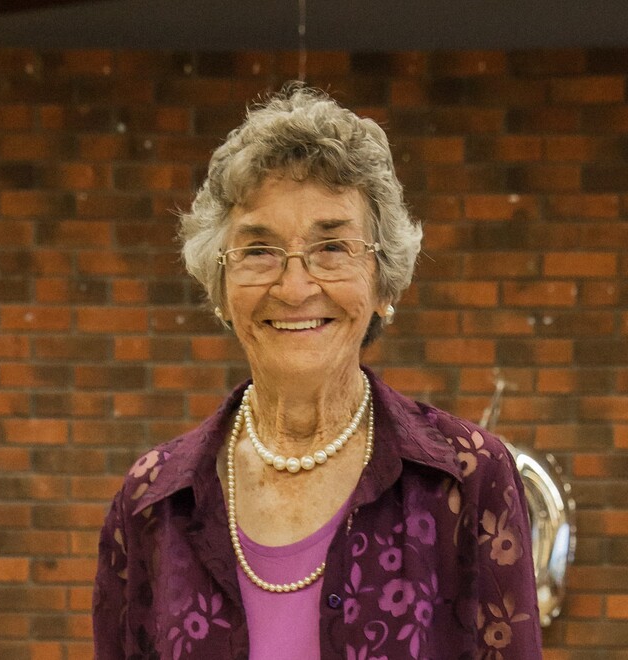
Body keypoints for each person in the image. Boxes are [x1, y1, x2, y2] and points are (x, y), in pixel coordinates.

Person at [93, 85, 542, 659]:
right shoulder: (153, 500)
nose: (295, 286)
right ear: (221, 287)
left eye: (332, 247)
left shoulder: (467, 477)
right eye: (259, 250)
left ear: (382, 282)